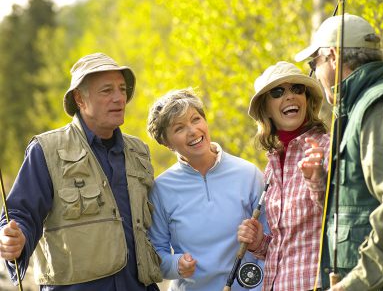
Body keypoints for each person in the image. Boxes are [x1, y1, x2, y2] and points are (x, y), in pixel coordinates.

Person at [0, 52, 162, 290]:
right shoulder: (46, 150)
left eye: (122, 89)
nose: (119, 98)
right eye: (107, 91)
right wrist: (15, 238)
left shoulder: (139, 151)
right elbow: (18, 214)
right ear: (80, 99)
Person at [295, 13, 383, 290]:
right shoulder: (359, 109)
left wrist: (353, 284)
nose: (314, 73)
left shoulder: (381, 107)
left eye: (313, 63)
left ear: (333, 56)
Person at [146, 88, 266, 290]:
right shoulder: (161, 188)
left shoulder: (249, 174)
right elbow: (156, 252)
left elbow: (272, 243)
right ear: (167, 143)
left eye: (195, 119)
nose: (192, 130)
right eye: (179, 128)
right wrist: (177, 265)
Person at [237, 61, 330, 291]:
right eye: (278, 92)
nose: (290, 96)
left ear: (306, 100)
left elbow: (341, 216)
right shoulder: (271, 166)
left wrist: (318, 179)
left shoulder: (327, 148)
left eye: (297, 89)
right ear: (266, 108)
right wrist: (259, 243)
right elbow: (284, 245)